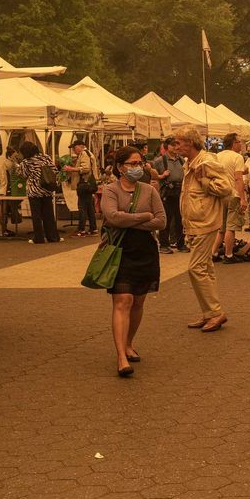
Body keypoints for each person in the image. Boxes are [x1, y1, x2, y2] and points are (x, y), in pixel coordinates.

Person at [101, 146, 166, 376]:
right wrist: (144, 217)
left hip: (145, 252)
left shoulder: (149, 190)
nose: (138, 167)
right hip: (120, 251)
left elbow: (161, 221)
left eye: (140, 163)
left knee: (138, 301)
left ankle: (129, 343)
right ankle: (121, 357)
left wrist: (131, 220)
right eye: (132, 164)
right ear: (120, 167)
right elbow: (112, 217)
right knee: (123, 300)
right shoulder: (110, 190)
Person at [173, 125, 234, 332]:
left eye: (178, 142)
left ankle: (215, 313)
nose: (176, 146)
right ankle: (210, 312)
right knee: (205, 268)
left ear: (190, 143)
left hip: (205, 222)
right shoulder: (190, 162)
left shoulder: (206, 161)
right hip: (197, 221)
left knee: (196, 268)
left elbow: (226, 188)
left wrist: (204, 180)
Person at [212, 133, 248, 264]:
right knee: (230, 227)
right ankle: (228, 254)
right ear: (234, 143)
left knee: (221, 227)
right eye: (239, 142)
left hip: (220, 193)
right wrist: (243, 198)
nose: (241, 144)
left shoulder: (217, 156)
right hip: (233, 194)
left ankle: (214, 253)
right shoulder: (237, 157)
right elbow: (238, 178)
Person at [18, 141, 62, 244]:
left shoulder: (26, 162)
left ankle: (39, 238)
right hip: (47, 190)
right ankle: (53, 237)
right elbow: (55, 171)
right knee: (49, 215)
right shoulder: (46, 157)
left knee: (36, 216)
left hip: (34, 192)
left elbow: (24, 175)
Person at [153, 138, 189, 253]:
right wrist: (162, 176)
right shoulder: (160, 161)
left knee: (180, 219)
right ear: (167, 146)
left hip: (180, 192)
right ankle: (163, 245)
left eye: (177, 145)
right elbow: (153, 176)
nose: (176, 147)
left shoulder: (182, 160)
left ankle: (180, 244)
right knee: (166, 219)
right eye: (173, 145)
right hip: (167, 193)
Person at [63, 140, 99, 236]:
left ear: (80, 146)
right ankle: (93, 229)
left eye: (74, 148)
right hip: (89, 184)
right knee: (90, 207)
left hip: (84, 184)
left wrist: (71, 169)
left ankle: (81, 230)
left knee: (82, 207)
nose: (74, 151)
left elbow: (85, 168)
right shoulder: (88, 153)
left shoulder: (84, 153)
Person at [0, 147, 24, 237]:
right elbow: (16, 173)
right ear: (10, 155)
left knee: (6, 211)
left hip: (8, 189)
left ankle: (4, 230)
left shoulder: (11, 163)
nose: (16, 157)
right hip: (5, 190)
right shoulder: (9, 164)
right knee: (4, 211)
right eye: (15, 155)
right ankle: (3, 230)